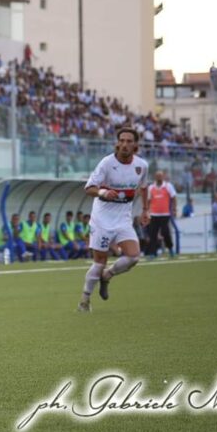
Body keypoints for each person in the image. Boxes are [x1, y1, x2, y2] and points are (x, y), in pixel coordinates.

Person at [78, 128, 149, 312]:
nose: (125, 144)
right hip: (102, 219)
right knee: (99, 261)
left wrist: (146, 210)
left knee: (133, 256)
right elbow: (89, 188)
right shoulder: (107, 163)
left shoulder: (141, 165)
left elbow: (143, 187)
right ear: (117, 143)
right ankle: (84, 300)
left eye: (129, 141)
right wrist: (103, 192)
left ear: (135, 145)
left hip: (123, 219)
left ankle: (107, 275)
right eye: (122, 141)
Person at [146, 170, 176, 258]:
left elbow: (173, 197)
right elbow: (148, 200)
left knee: (165, 232)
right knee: (153, 234)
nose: (159, 177)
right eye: (157, 176)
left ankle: (170, 248)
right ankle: (152, 253)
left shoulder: (168, 186)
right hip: (154, 214)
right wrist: (146, 210)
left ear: (163, 177)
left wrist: (174, 209)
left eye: (160, 176)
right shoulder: (151, 187)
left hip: (165, 214)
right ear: (155, 177)